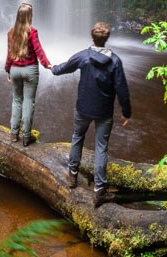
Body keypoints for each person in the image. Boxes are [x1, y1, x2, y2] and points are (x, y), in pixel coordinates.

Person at [52, 21, 131, 207]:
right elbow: (122, 89)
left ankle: (72, 175)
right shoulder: (115, 61)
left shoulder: (83, 56)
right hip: (104, 111)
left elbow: (65, 67)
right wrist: (127, 112)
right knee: (101, 147)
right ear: (106, 39)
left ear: (92, 37)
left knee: (77, 136)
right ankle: (99, 190)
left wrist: (53, 68)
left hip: (83, 108)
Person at [4, 2, 52, 146]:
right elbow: (39, 51)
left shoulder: (11, 32)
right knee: (28, 101)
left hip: (15, 70)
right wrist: (47, 64)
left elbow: (9, 54)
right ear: (29, 17)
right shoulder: (32, 32)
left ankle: (13, 134)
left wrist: (8, 70)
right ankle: (26, 137)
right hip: (30, 69)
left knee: (17, 100)